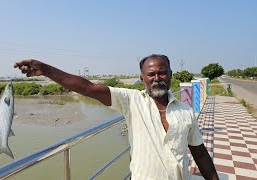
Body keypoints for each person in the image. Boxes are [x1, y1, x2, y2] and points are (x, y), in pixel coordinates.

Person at [14, 54, 219, 180]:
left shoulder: (185, 111)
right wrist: (46, 70)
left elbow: (200, 154)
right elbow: (88, 87)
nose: (157, 78)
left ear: (171, 75)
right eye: (151, 74)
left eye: (162, 73)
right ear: (142, 79)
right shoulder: (131, 101)